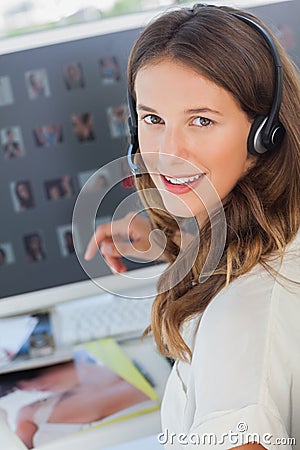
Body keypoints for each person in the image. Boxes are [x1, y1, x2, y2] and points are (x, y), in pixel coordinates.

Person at [84, 4, 300, 449]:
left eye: (201, 120)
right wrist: (167, 234)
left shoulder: (241, 317)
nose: (169, 150)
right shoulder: (280, 228)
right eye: (153, 119)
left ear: (265, 132)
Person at [0, 353, 148, 449]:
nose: (31, 387)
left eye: (33, 376)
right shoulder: (30, 414)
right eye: (17, 386)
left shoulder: (140, 370)